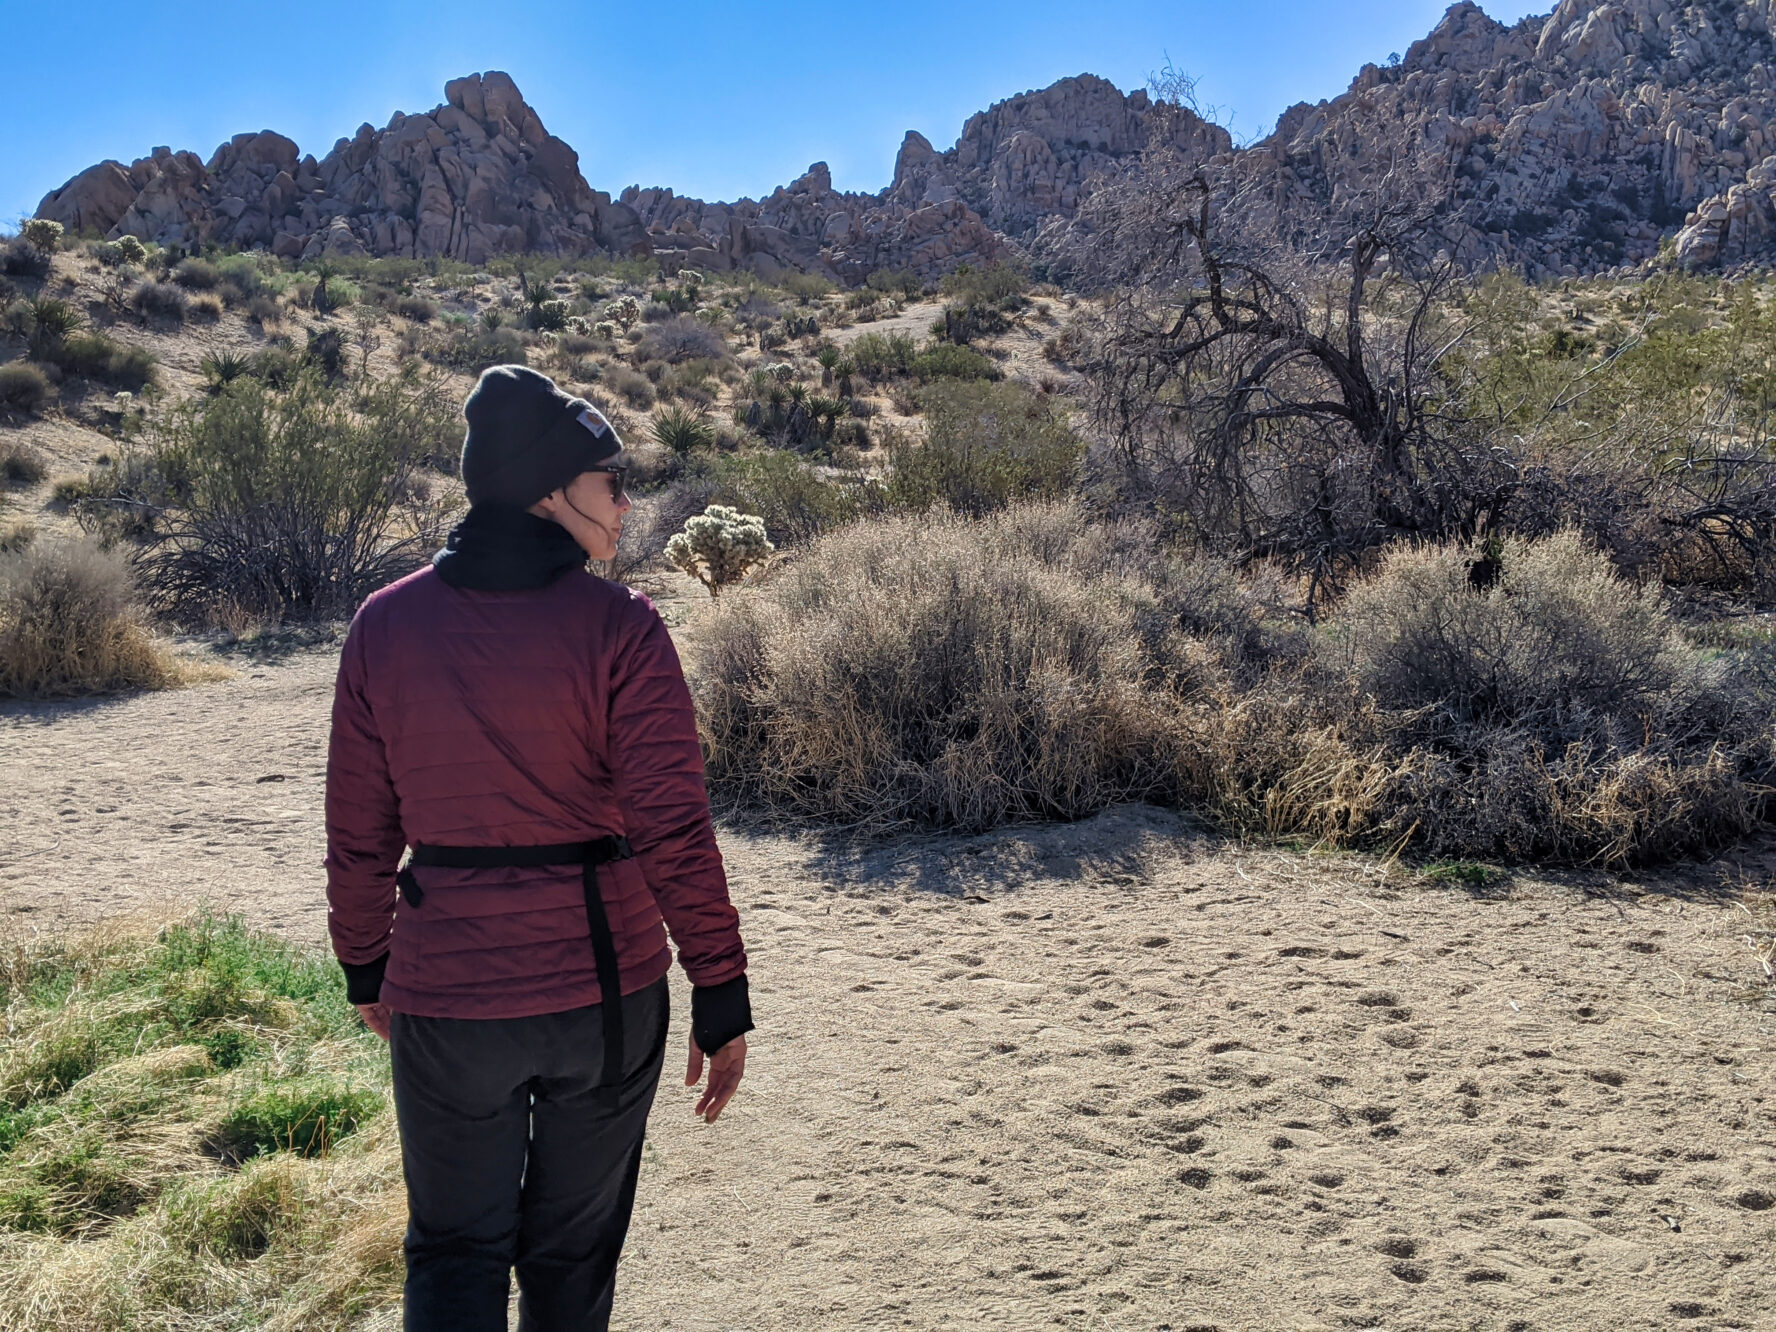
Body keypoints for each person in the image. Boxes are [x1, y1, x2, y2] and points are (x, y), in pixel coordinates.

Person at [325, 364, 752, 1332]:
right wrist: (720, 986)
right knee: (570, 1258)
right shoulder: (624, 628)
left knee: (452, 1250)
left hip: (445, 994)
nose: (627, 500)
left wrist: (365, 964)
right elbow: (672, 828)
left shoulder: (382, 626)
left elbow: (358, 830)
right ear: (550, 490)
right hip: (602, 995)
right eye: (611, 479)